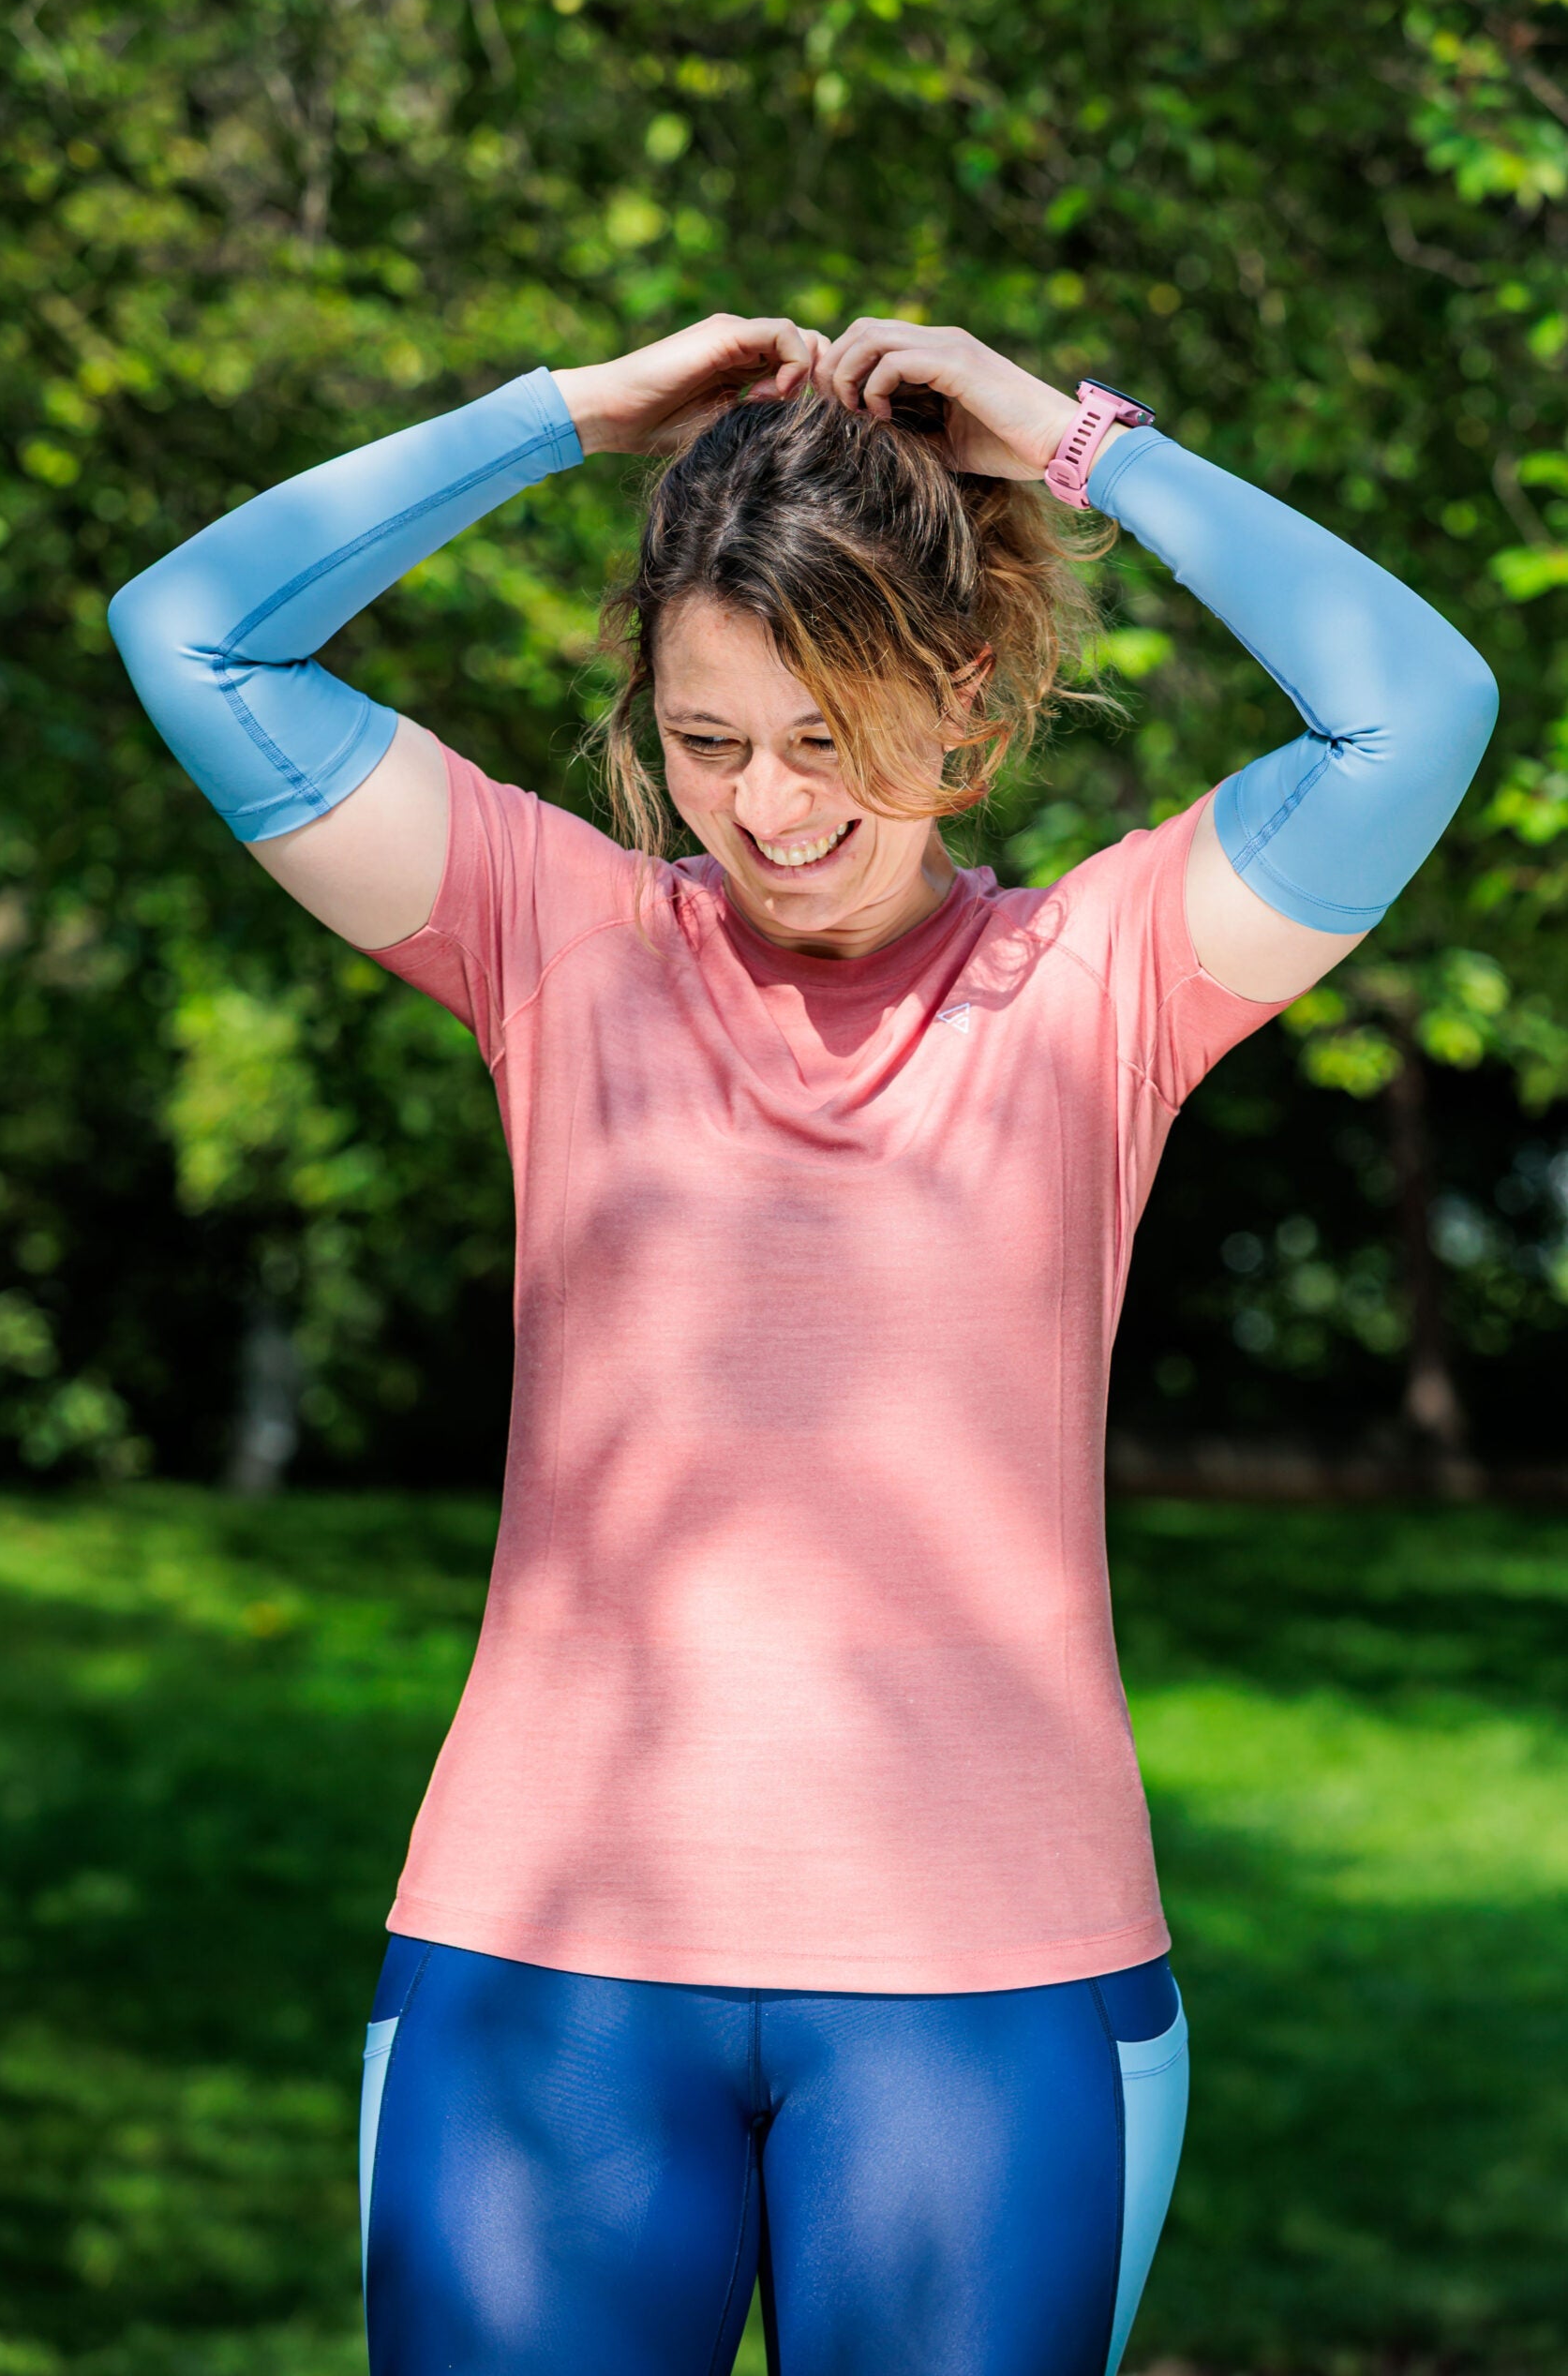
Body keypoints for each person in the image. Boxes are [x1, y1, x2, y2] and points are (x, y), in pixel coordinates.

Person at [108, 313, 1498, 2376]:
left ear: (957, 704)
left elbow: (1415, 706)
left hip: (994, 1997)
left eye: (821, 733)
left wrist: (1066, 439)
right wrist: (571, 417)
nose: (761, 804)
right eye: (702, 737)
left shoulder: (1098, 980)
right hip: (538, 1969)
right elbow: (194, 631)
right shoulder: (549, 937)